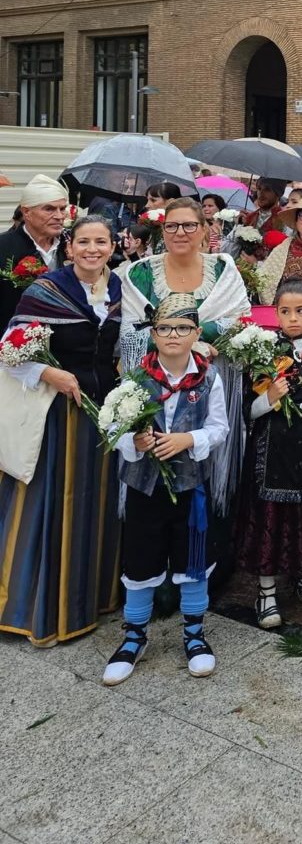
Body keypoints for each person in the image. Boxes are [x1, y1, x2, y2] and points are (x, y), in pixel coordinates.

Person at [0, 216, 122, 647]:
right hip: (59, 418)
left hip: (104, 412)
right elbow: (9, 349)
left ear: (112, 246)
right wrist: (52, 372)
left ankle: (91, 600)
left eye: (101, 242)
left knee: (96, 503)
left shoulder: (122, 290)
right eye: (84, 242)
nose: (92, 249)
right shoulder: (46, 290)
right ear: (69, 248)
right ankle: (44, 608)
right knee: (58, 504)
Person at [102, 296, 228, 686]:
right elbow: (112, 427)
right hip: (144, 487)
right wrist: (133, 443)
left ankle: (194, 634)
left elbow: (219, 427)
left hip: (190, 487)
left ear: (196, 334)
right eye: (165, 328)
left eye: (183, 328)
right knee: (141, 561)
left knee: (192, 560)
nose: (174, 335)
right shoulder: (135, 378)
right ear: (153, 333)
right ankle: (134, 636)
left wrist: (187, 439)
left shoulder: (208, 377)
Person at [119, 198, 251, 516]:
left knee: (200, 468)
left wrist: (195, 340)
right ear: (162, 231)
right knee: (152, 463)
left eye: (190, 225)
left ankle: (199, 539)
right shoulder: (139, 273)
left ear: (204, 229)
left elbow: (240, 322)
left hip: (208, 384)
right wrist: (197, 339)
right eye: (172, 226)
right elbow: (131, 335)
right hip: (153, 385)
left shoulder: (223, 270)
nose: (181, 232)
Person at [237, 279, 302, 627]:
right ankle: (266, 590)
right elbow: (246, 410)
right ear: (276, 313)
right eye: (286, 311)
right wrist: (269, 399)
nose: (293, 318)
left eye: (301, 310)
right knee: (271, 515)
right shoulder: (264, 350)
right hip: (273, 447)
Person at [0, 174, 68, 334]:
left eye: (62, 209)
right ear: (26, 212)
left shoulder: (72, 245)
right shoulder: (4, 247)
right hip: (12, 344)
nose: (59, 216)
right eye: (49, 209)